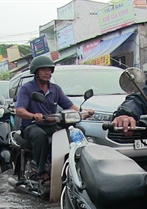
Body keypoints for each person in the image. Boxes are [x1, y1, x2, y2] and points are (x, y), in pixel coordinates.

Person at [15, 56, 92, 186]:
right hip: (31, 126)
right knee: (39, 135)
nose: (47, 73)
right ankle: (41, 171)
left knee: (77, 132)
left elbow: (69, 105)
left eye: (50, 70)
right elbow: (19, 110)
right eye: (44, 70)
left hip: (52, 125)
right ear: (36, 71)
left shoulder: (55, 89)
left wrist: (84, 112)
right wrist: (33, 115)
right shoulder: (27, 89)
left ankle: (74, 165)